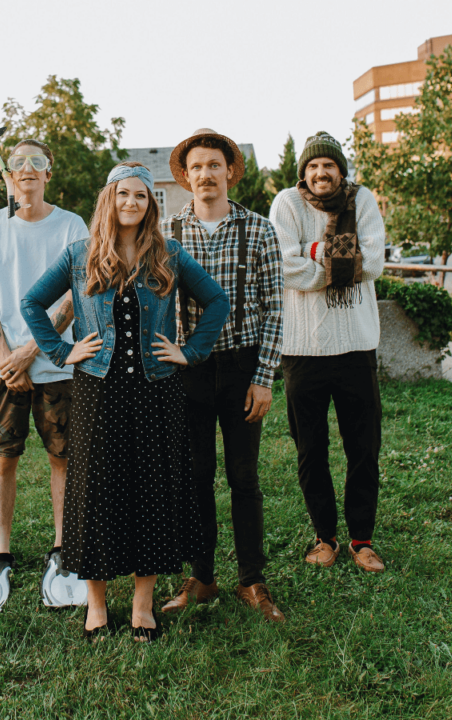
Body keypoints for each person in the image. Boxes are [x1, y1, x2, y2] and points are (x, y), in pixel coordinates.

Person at [21, 161, 230, 641]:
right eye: (123, 195)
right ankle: (96, 605)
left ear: (150, 203)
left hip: (157, 389)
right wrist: (60, 350)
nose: (132, 203)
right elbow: (32, 303)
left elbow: (216, 301)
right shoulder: (80, 255)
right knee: (97, 494)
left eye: (141, 196)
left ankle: (142, 606)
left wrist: (191, 350)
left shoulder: (169, 254)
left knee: (152, 493)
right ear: (109, 201)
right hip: (98, 388)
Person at [159, 129, 285, 622]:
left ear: (229, 171)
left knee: (244, 476)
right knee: (195, 477)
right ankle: (202, 576)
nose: (206, 174)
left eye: (214, 165)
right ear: (186, 177)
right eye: (197, 167)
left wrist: (264, 377)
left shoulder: (257, 229)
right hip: (189, 368)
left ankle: (252, 580)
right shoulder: (168, 231)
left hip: (242, 366)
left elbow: (275, 308)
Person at [0, 139, 89, 616]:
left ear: (49, 174)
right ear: (9, 176)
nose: (28, 169)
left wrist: (31, 351)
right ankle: (1, 555)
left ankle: (61, 548)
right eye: (19, 163)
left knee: (63, 458)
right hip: (3, 367)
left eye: (38, 162)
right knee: (3, 458)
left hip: (56, 361)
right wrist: (7, 357)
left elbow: (73, 298)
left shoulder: (71, 225)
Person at [269, 131, 386, 573]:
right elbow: (282, 262)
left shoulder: (363, 201)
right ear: (304, 173)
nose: (321, 173)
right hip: (303, 350)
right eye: (313, 166)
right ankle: (325, 537)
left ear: (340, 170)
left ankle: (362, 540)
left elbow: (373, 261)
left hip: (356, 345)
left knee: (363, 448)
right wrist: (334, 260)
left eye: (329, 165)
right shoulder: (286, 203)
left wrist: (310, 252)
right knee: (310, 449)